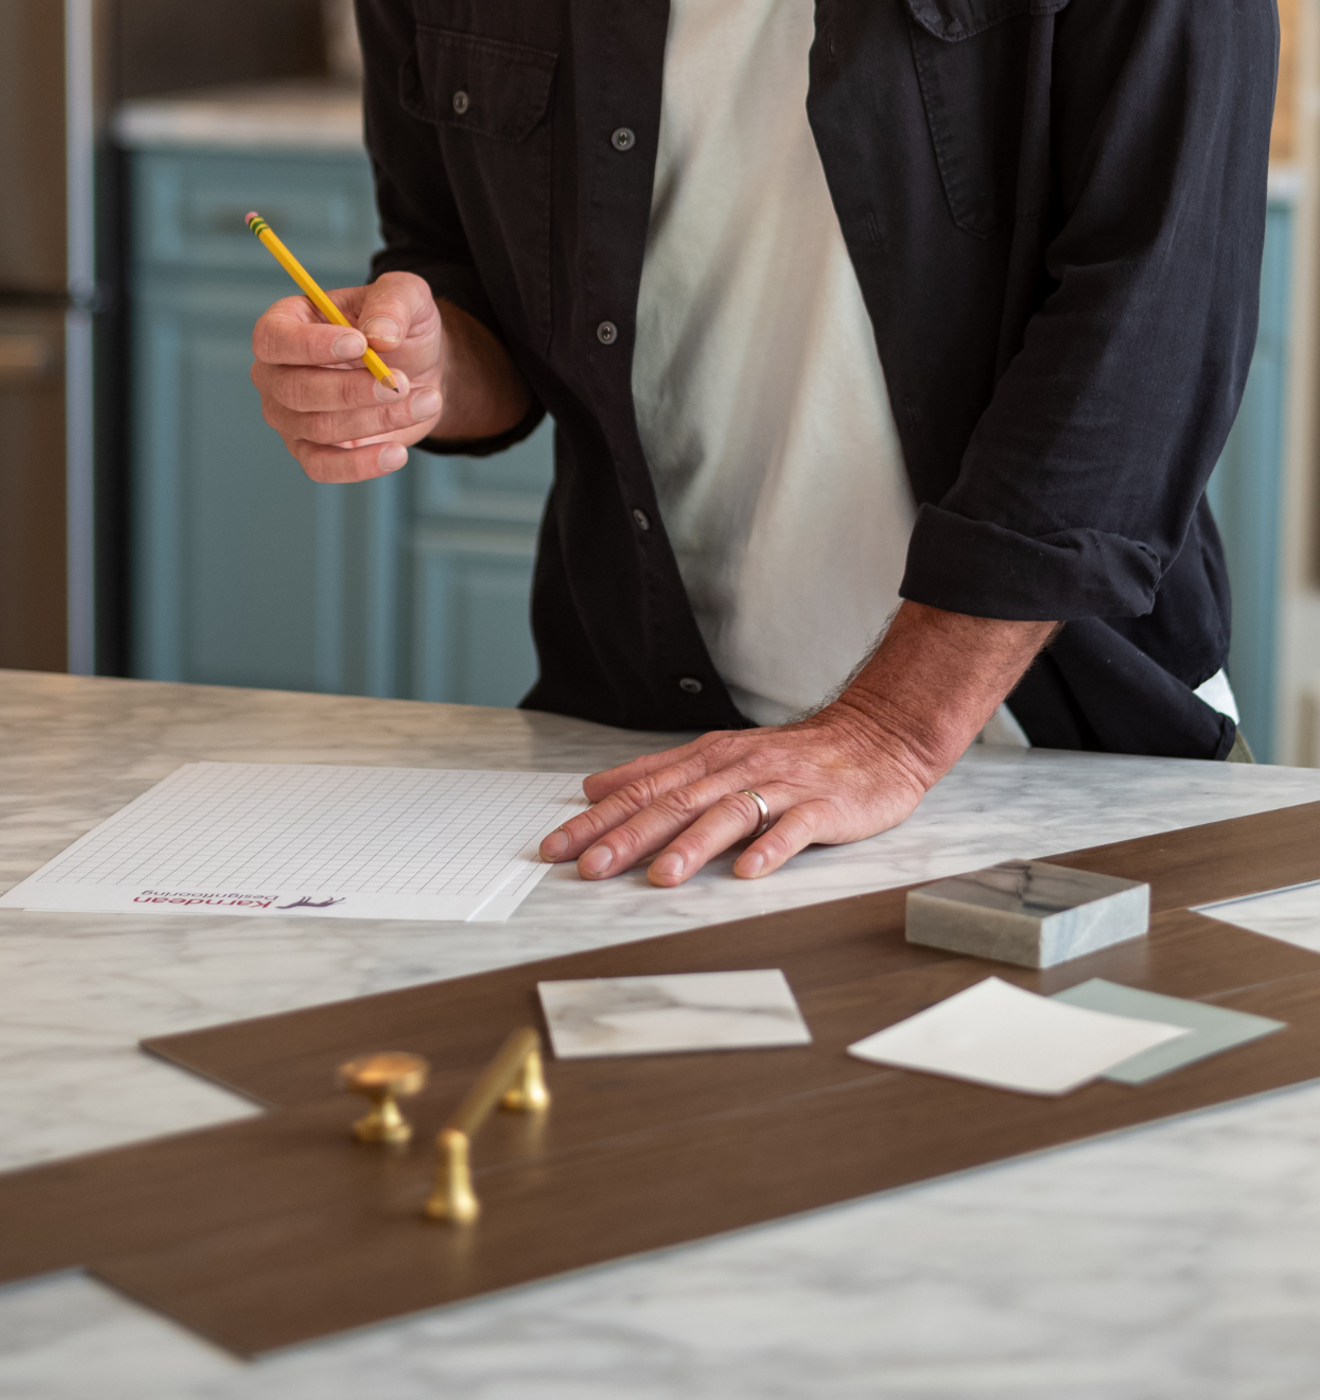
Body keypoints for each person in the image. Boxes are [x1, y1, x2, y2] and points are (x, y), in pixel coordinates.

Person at [251, 0, 1276, 888]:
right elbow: (462, 283)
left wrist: (890, 730)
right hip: (661, 770)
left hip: (1058, 761)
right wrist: (417, 369)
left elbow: (1151, 327)